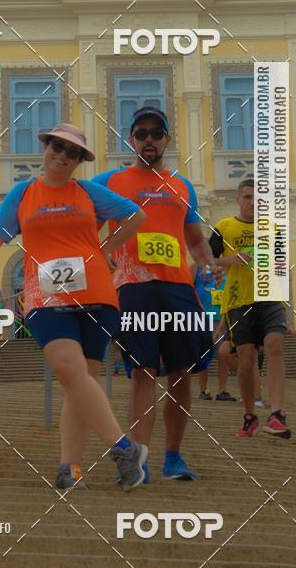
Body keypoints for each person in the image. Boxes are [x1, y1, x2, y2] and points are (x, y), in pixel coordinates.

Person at [0, 123, 148, 491]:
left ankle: (70, 469)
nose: (62, 155)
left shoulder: (88, 192)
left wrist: (103, 249)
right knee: (69, 370)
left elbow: (136, 215)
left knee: (76, 383)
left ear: (78, 161)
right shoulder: (23, 194)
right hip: (45, 296)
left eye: (72, 152)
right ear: (46, 146)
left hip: (96, 295)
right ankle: (124, 447)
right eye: (57, 146)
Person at [93, 107, 222, 482]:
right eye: (141, 133)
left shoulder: (182, 187)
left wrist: (208, 263)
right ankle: (140, 460)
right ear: (131, 140)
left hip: (178, 288)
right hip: (133, 288)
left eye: (156, 133)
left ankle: (173, 458)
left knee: (181, 374)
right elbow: (88, 225)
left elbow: (196, 240)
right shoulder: (110, 182)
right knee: (142, 371)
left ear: (166, 139)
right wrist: (101, 259)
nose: (149, 139)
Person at [210, 178, 290, 438]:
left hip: (269, 298)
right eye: (247, 197)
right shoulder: (224, 227)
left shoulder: (274, 228)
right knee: (245, 360)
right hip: (237, 301)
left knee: (275, 345)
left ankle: (277, 414)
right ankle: (250, 416)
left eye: (258, 199)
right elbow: (206, 259)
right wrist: (230, 260)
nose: (253, 203)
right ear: (238, 199)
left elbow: (281, 266)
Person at [190, 263, 226, 400]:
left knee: (223, 356)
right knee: (204, 356)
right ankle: (203, 390)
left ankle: (222, 391)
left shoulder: (225, 267)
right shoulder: (196, 267)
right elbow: (188, 287)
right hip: (203, 318)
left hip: (222, 318)